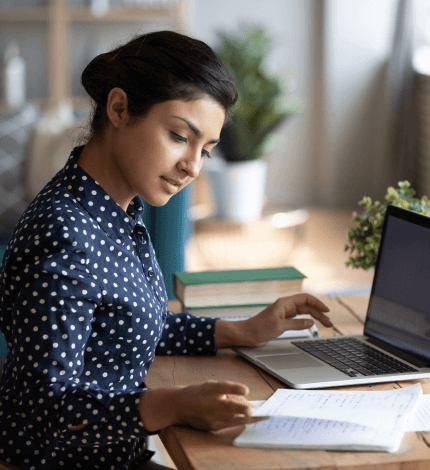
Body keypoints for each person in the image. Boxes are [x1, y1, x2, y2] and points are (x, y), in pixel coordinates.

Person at [0, 30, 332, 470]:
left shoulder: (117, 212)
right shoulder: (64, 234)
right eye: (179, 136)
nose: (192, 167)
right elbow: (47, 411)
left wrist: (239, 331)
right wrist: (172, 405)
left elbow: (124, 327)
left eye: (205, 151)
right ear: (119, 109)